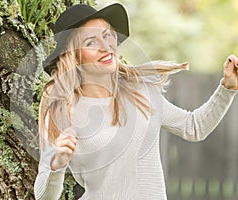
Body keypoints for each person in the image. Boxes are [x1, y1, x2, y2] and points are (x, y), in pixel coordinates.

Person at [34, 3, 238, 200]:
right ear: (74, 56)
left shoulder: (141, 92)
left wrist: (227, 88)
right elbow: (43, 196)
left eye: (107, 35)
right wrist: (57, 163)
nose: (106, 46)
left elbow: (194, 128)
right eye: (91, 42)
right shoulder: (63, 111)